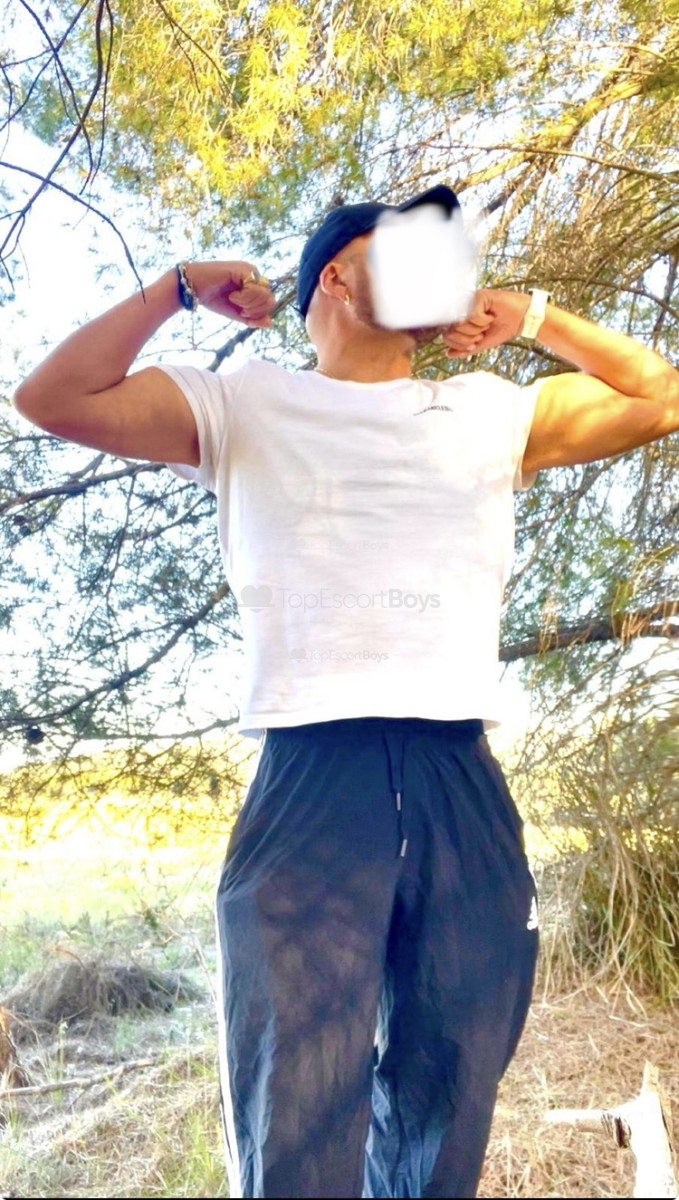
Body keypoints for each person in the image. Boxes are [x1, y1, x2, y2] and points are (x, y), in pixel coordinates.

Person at [13, 184, 679, 1200]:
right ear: (335, 273)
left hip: (457, 773)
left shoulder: (487, 410)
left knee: (450, 1081)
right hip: (312, 774)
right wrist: (180, 289)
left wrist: (533, 315)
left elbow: (659, 396)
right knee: (294, 1102)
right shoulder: (244, 404)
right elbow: (52, 396)